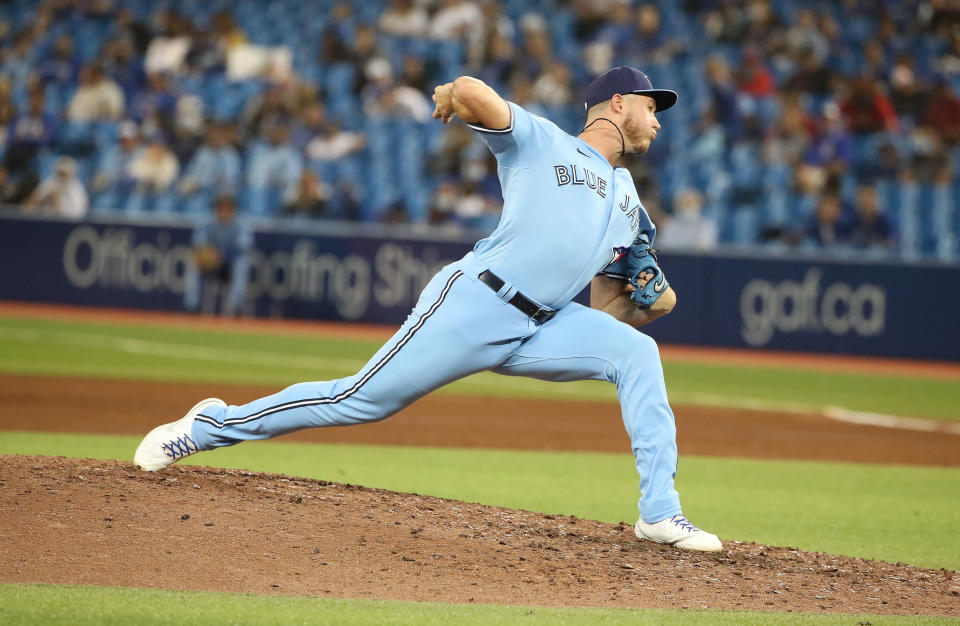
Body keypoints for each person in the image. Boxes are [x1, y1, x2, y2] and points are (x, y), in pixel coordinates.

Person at [134, 67, 723, 553]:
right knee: (358, 401)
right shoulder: (544, 142)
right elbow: (472, 93)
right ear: (617, 104)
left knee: (638, 354)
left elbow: (611, 303)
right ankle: (210, 425)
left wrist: (645, 303)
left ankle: (660, 514)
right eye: (652, 107)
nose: (658, 120)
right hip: (476, 303)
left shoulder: (628, 198)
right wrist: (452, 95)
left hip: (544, 324)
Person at [183, 194, 252, 316]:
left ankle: (235, 309)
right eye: (221, 208)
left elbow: (245, 246)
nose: (224, 212)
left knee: (241, 265)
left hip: (230, 266)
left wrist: (223, 253)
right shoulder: (208, 224)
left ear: (233, 210)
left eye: (228, 208)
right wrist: (210, 253)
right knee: (193, 264)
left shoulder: (240, 225)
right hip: (212, 264)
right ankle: (191, 307)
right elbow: (198, 243)